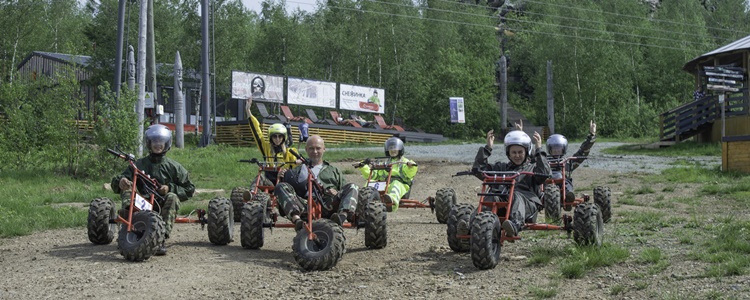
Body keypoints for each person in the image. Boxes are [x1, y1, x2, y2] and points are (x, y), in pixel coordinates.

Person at [111, 124, 195, 255]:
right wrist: (121, 182)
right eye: (154, 141)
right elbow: (120, 179)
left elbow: (189, 189)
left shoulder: (175, 167)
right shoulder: (139, 164)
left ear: (167, 143)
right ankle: (129, 227)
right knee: (128, 190)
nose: (157, 144)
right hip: (142, 204)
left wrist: (169, 188)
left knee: (172, 197)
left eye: (161, 141)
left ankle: (160, 239)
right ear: (149, 143)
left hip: (163, 204)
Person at [472, 129, 550, 237]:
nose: (517, 155)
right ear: (508, 153)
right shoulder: (501, 168)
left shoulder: (532, 168)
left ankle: (515, 224)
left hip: (527, 203)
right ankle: (471, 225)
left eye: (520, 152)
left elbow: (544, 174)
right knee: (491, 196)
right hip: (503, 202)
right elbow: (479, 170)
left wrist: (539, 150)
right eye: (514, 152)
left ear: (526, 152)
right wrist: (487, 148)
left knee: (516, 196)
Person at [275, 135, 359, 230]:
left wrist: (335, 192)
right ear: (306, 149)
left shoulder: (334, 171)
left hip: (328, 205)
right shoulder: (297, 171)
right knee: (281, 186)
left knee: (353, 187)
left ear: (324, 149)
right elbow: (288, 192)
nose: (315, 152)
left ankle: (341, 218)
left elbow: (345, 191)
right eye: (311, 148)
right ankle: (297, 221)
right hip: (305, 205)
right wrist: (280, 178)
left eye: (318, 148)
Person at [244, 97, 300, 198]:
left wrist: (287, 172)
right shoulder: (266, 149)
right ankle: (251, 195)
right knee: (259, 177)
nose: (277, 139)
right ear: (271, 137)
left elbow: (298, 171)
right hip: (269, 182)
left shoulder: (290, 152)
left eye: (280, 136)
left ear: (284, 137)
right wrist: (248, 110)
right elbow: (257, 132)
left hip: (284, 184)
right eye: (274, 136)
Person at [356, 137, 417, 212]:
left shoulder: (404, 162)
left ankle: (392, 202)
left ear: (400, 149)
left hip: (402, 187)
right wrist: (363, 166)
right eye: (391, 148)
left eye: (395, 148)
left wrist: (411, 166)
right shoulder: (384, 163)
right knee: (370, 182)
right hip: (385, 186)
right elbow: (373, 175)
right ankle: (361, 202)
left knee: (395, 184)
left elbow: (409, 174)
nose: (393, 150)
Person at [546, 120, 597, 204]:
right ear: (549, 149)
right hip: (546, 188)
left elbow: (582, 152)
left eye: (559, 148)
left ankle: (569, 195)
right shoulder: (544, 161)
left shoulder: (567, 162)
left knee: (567, 183)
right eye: (554, 148)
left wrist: (592, 135)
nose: (556, 151)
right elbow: (528, 158)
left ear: (563, 148)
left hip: (563, 187)